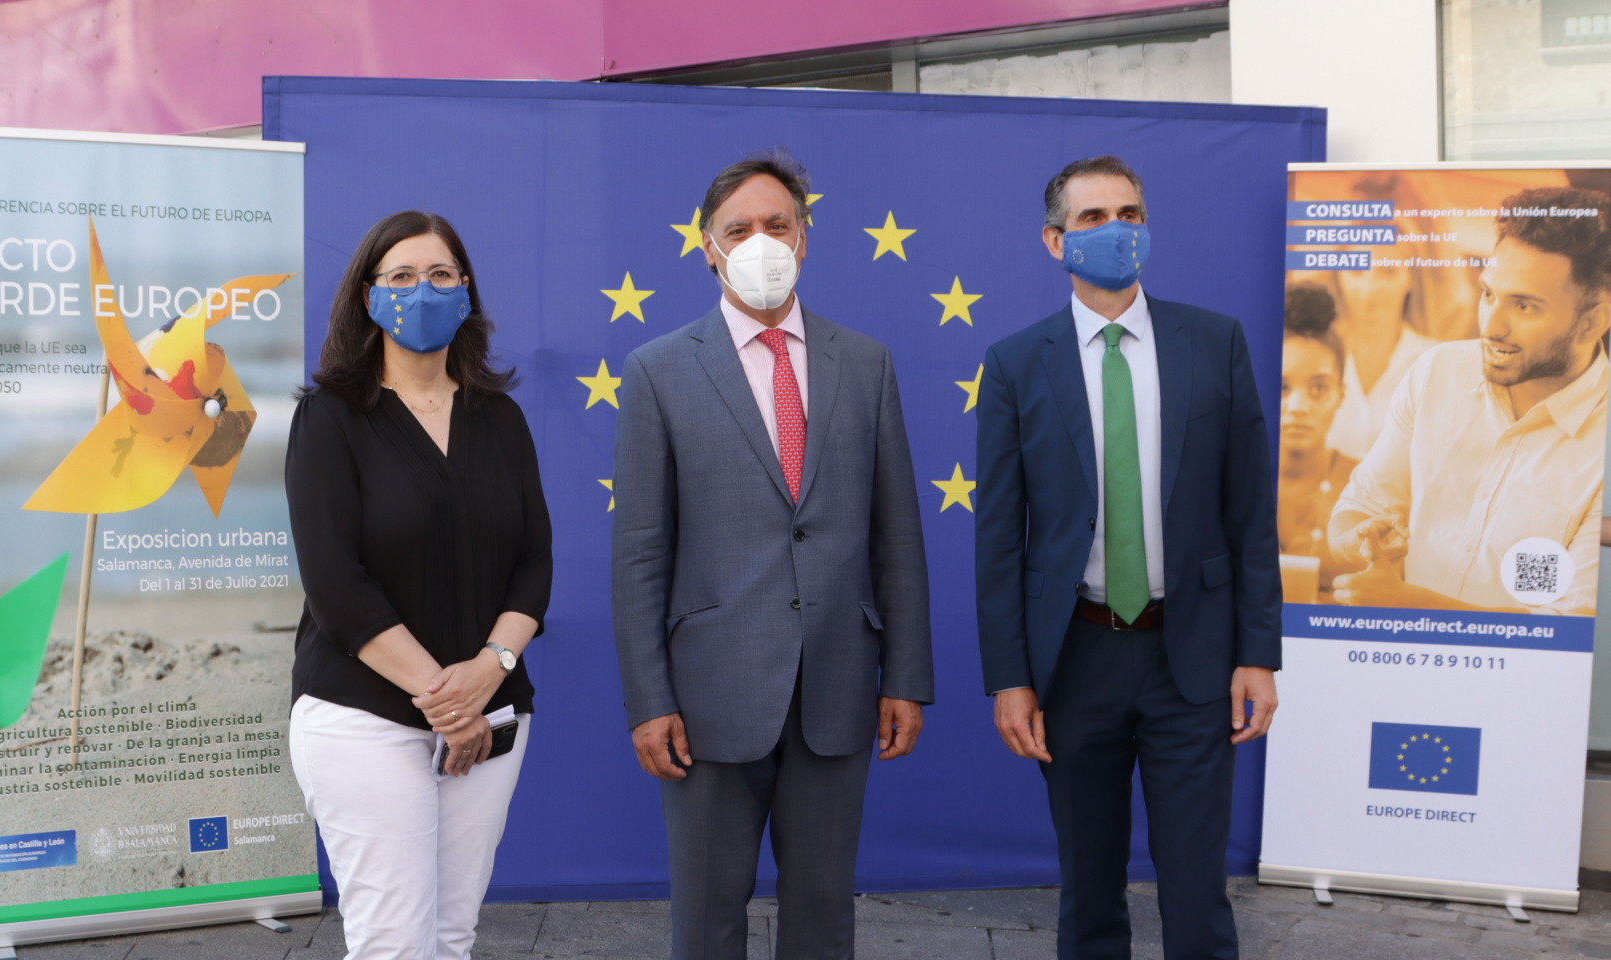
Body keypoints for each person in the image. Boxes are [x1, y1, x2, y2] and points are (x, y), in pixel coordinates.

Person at [611, 150, 933, 960]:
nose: (761, 242)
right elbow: (641, 553)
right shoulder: (657, 370)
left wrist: (905, 676)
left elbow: (897, 534)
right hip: (708, 699)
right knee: (708, 922)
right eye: (739, 229)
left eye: (777, 225)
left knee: (824, 917)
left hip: (839, 687)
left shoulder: (864, 363)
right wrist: (649, 699)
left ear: (805, 236)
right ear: (707, 246)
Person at [974, 155, 1281, 960]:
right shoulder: (1014, 364)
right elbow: (1000, 536)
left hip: (1196, 656)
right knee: (1089, 884)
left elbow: (1250, 510)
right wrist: (1010, 676)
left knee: (1195, 887)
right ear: (1055, 241)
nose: (1117, 231)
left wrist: (1258, 654)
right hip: (1076, 660)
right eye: (1093, 218)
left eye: (1131, 214)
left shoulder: (1214, 342)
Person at [285, 211, 551, 959]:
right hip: (363, 717)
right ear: (367, 297)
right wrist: (447, 698)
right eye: (400, 276)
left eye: (439, 275)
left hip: (491, 717)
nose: (421, 290)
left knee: (450, 934)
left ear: (465, 290)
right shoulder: (330, 419)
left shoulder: (500, 418)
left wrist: (487, 675)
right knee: (394, 942)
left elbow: (536, 561)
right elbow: (337, 585)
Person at [1329, 187, 1609, 615]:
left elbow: (1569, 623)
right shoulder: (1436, 372)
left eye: (1525, 306)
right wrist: (1360, 539)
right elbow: (1359, 507)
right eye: (1488, 294)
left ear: (1595, 320)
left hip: (1526, 681)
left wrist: (1409, 607)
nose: (1492, 325)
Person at [1325, 184, 1437, 460]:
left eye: (1388, 271)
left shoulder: (1434, 361)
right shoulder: (1315, 352)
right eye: (1356, 271)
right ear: (1338, 278)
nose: (1370, 289)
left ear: (1411, 278)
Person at [1277, 282, 1361, 600]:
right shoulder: (1229, 480)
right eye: (1283, 387)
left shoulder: (1369, 490)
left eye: (1318, 388)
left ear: (1341, 394)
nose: (1298, 407)